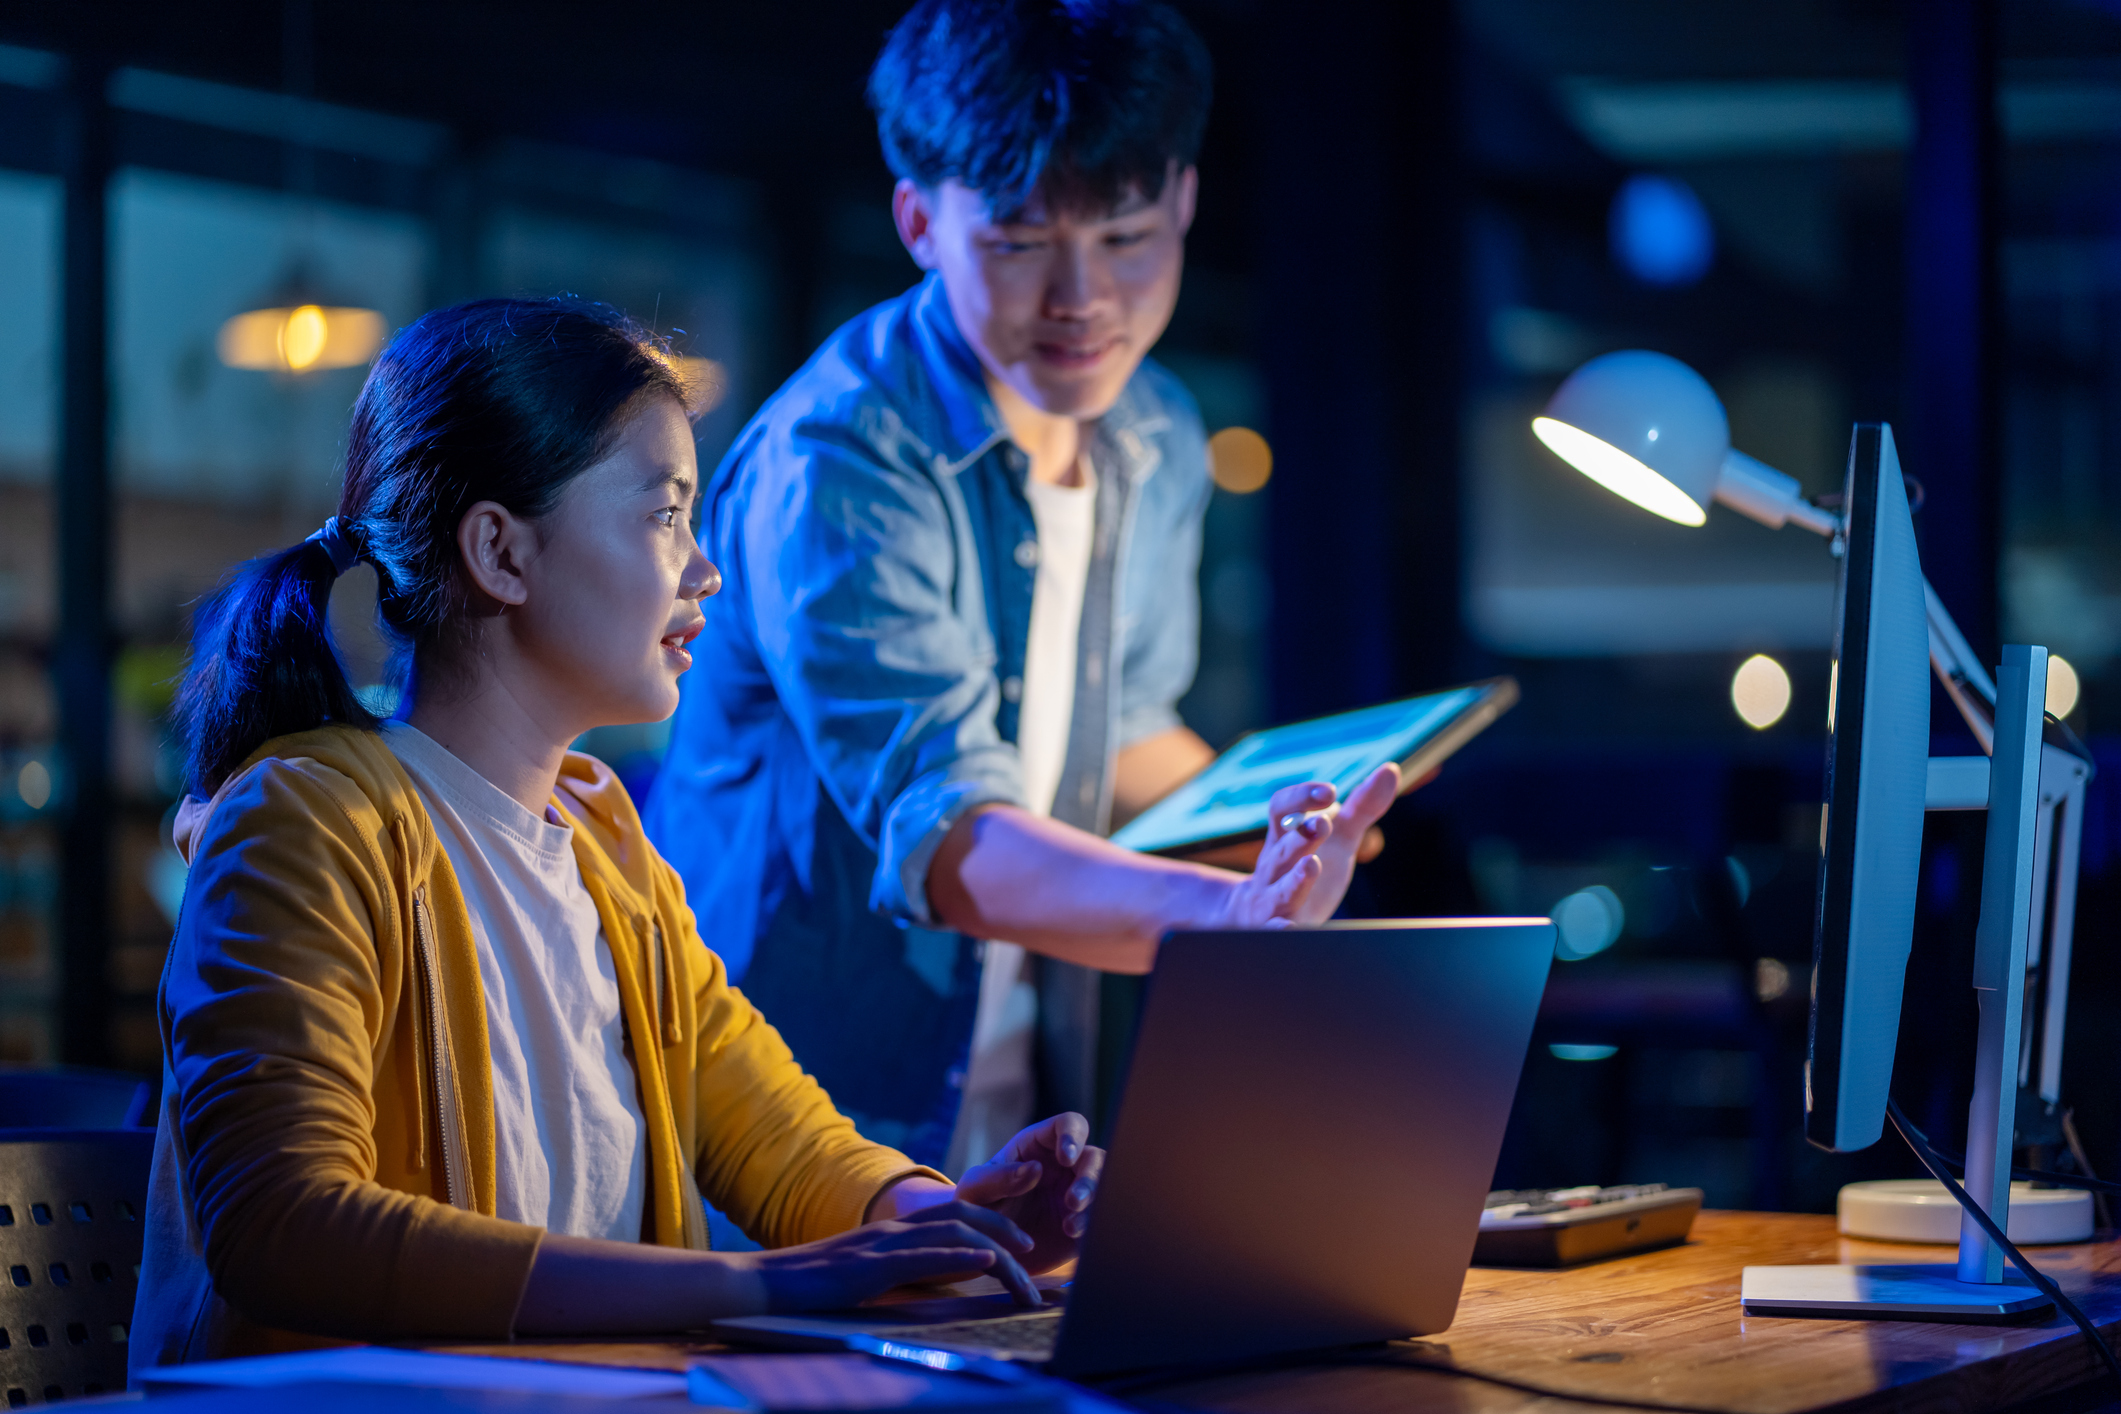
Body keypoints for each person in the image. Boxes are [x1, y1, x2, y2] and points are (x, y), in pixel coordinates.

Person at [134, 298, 1118, 1369]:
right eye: (664, 516)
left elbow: (782, 1143)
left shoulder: (605, 839)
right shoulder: (307, 821)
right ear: (501, 553)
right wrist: (755, 1281)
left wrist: (951, 1220)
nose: (706, 572)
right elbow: (285, 1228)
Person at [645, 0, 1401, 1175]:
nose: (1082, 297)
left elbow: (1116, 735)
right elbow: (948, 837)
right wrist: (1234, 918)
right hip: (788, 1132)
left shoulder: (1149, 424)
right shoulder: (842, 456)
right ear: (919, 220)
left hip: (1014, 1114)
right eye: (1018, 241)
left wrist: (1291, 825)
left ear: (1186, 201)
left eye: (1127, 234)